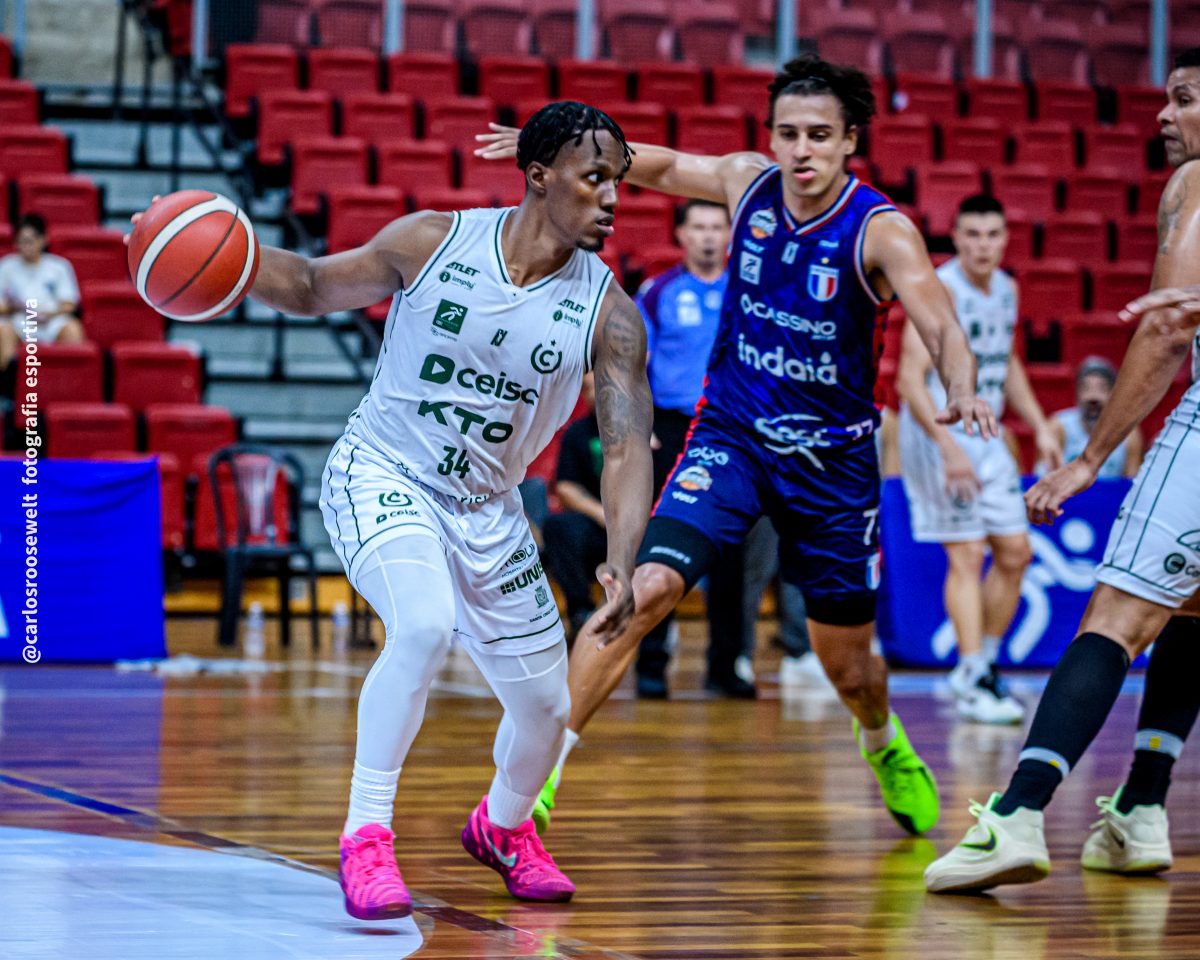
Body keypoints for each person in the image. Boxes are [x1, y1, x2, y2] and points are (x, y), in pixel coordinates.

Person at [135, 103, 654, 916]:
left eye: (619, 182)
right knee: (421, 626)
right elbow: (312, 285)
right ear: (539, 176)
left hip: (488, 510)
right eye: (595, 179)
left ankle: (503, 828)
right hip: (386, 472)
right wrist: (219, 249)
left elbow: (625, 449)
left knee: (549, 709)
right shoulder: (433, 241)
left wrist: (623, 557)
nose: (613, 199)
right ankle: (366, 836)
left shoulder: (611, 315)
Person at [478, 55, 995, 838]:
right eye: (788, 133)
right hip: (734, 439)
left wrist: (962, 384)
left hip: (833, 467)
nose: (801, 150)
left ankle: (881, 739)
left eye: (819, 135)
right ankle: (532, 781)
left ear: (850, 140)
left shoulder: (881, 230)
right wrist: (553, 146)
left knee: (848, 666)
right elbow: (653, 164)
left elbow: (942, 324)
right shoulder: (747, 183)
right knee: (642, 588)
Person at [925, 48, 1200, 894]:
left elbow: (1167, 329)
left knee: (1114, 618)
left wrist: (1088, 457)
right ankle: (1141, 809)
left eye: (1185, 98)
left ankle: (1017, 815)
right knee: (1190, 608)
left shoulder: (1195, 182)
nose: (1164, 115)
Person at [897, 194, 1062, 724]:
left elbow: (1005, 361)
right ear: (956, 238)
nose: (982, 246)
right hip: (939, 434)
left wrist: (1040, 423)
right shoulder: (939, 289)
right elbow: (908, 380)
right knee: (967, 554)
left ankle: (983, 665)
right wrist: (948, 450)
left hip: (985, 431)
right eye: (972, 235)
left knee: (1015, 554)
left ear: (1006, 239)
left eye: (992, 235)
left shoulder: (1007, 289)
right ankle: (971, 676)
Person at [634, 198, 755, 698]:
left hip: (733, 429)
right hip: (671, 427)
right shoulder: (658, 291)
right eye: (698, 227)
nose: (707, 236)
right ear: (681, 235)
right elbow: (629, 363)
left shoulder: (748, 291)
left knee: (731, 551)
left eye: (716, 227)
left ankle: (726, 665)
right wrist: (639, 424)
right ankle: (651, 663)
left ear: (729, 235)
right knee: (659, 544)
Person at [540, 373, 606, 638]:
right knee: (557, 527)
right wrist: (603, 515)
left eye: (599, 386)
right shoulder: (577, 433)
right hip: (599, 526)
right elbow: (566, 488)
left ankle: (654, 636)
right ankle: (581, 613)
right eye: (587, 388)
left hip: (642, 526)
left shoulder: (646, 429)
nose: (593, 394)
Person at [0, 214, 86, 369]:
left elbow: (70, 303)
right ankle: (8, 380)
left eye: (30, 241)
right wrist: (13, 307)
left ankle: (71, 379)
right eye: (21, 241)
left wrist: (50, 314)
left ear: (43, 239)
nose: (26, 246)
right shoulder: (5, 266)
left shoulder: (59, 266)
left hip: (51, 321)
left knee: (72, 328)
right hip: (18, 319)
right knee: (3, 330)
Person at [1041, 356, 1143, 479]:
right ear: (1077, 394)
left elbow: (1131, 482)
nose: (1093, 396)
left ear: (1113, 395)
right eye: (1086, 388)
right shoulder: (1058, 428)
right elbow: (1042, 477)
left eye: (1102, 388)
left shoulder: (1127, 434)